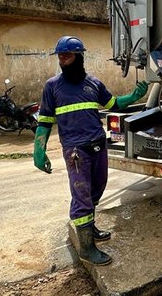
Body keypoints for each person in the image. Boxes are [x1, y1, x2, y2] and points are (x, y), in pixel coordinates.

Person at [33, 36, 148, 265]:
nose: (63, 60)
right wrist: (39, 150)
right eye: (60, 57)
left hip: (98, 144)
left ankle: (90, 227)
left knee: (97, 188)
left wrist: (135, 96)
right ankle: (87, 248)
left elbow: (113, 104)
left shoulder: (93, 83)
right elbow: (45, 121)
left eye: (67, 56)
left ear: (79, 57)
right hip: (76, 151)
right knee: (82, 196)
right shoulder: (52, 86)